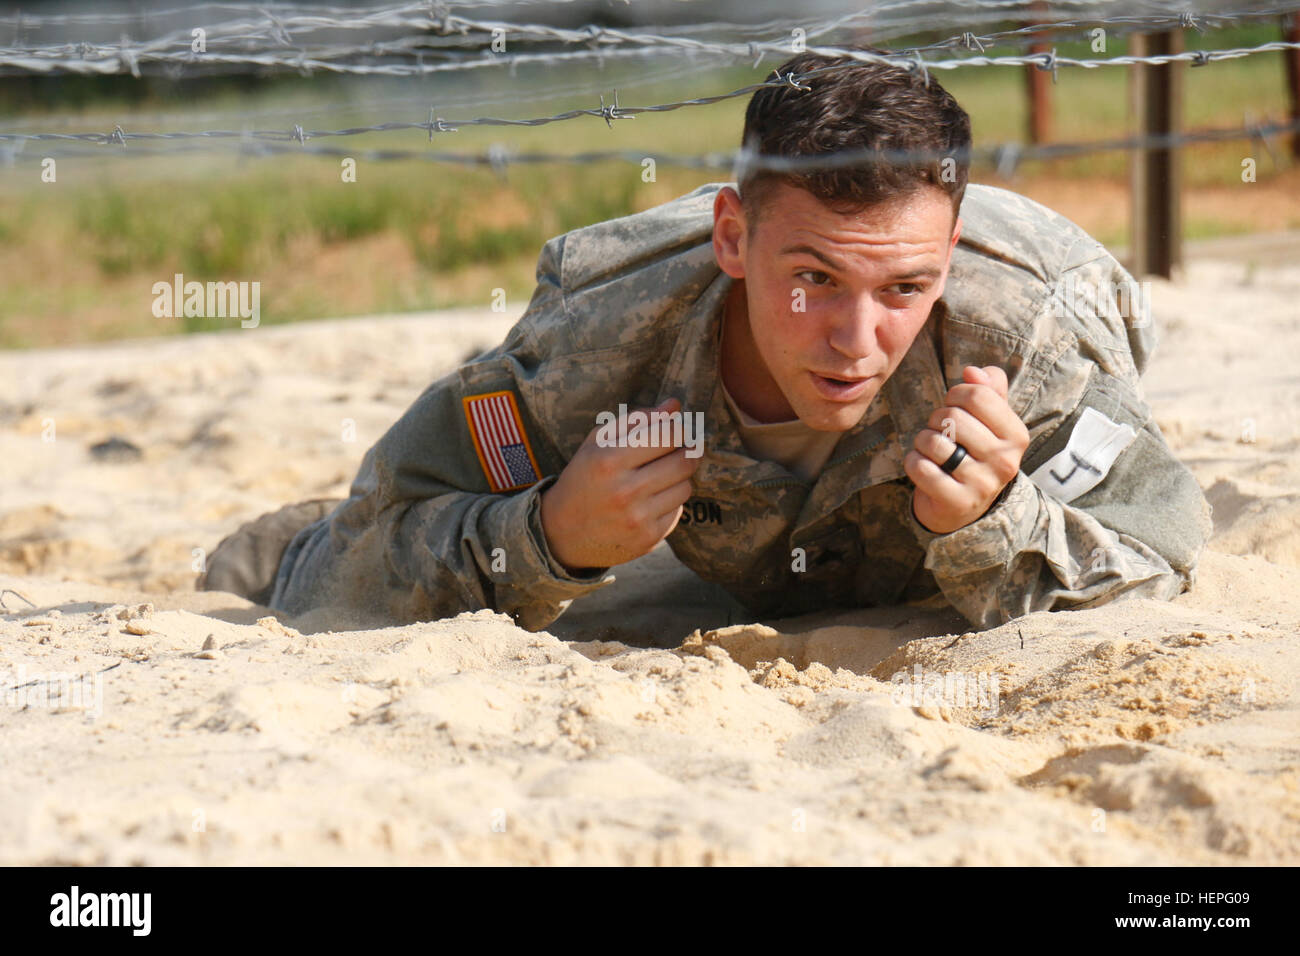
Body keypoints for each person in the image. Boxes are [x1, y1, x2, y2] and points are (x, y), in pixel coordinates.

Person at [198, 50, 1211, 632]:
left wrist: (1000, 520)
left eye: (904, 287)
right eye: (811, 278)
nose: (856, 339)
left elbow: (1163, 546)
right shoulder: (599, 341)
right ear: (733, 235)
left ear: (951, 253)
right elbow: (352, 571)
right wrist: (547, 536)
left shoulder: (1027, 335)